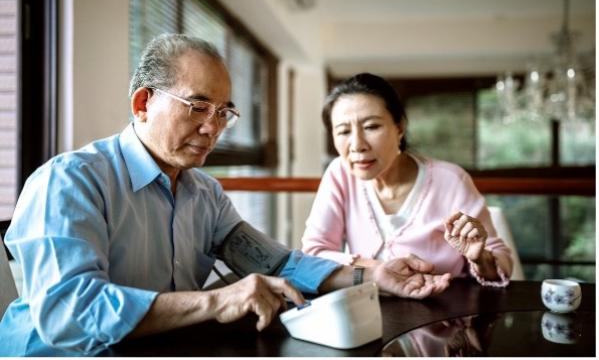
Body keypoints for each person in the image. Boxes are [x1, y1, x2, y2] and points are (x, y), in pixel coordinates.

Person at [0, 35, 450, 356]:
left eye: (223, 112)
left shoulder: (203, 193)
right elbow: (69, 315)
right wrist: (219, 299)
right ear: (143, 104)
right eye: (197, 107)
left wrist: (374, 277)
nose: (212, 128)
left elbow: (276, 265)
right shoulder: (70, 182)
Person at [301, 73, 513, 287]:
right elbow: (314, 253)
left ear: (399, 128)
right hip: (368, 309)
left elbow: (502, 262)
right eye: (344, 131)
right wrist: (377, 271)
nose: (357, 145)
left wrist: (480, 258)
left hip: (447, 311)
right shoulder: (340, 173)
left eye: (371, 127)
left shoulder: (450, 180)